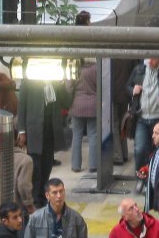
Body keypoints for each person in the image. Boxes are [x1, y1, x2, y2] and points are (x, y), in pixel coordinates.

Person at [17, 78, 69, 208]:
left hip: (50, 131)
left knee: (46, 166)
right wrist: (21, 130)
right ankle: (35, 199)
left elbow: (67, 102)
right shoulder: (28, 80)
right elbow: (21, 106)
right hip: (34, 131)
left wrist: (62, 83)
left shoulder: (56, 81)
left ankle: (42, 196)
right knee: (35, 168)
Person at [127, 58, 159, 189]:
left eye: (154, 59)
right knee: (140, 149)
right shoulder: (139, 69)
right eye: (149, 59)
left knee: (158, 151)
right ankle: (141, 178)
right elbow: (128, 86)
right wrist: (133, 90)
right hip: (142, 117)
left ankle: (155, 180)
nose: (150, 61)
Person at [23, 178, 88, 238]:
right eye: (55, 193)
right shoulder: (36, 218)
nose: (59, 196)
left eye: (61, 191)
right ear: (47, 195)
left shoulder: (76, 218)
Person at [69, 60, 98, 173]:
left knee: (76, 136)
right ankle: (93, 165)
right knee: (93, 135)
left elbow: (68, 87)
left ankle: (76, 165)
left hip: (77, 105)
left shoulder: (75, 68)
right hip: (93, 105)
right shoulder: (96, 68)